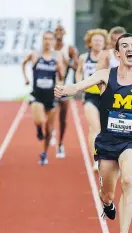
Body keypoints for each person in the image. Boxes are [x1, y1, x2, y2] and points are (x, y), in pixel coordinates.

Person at [55, 33, 132, 233]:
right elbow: (81, 85)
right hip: (108, 140)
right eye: (125, 46)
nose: (130, 49)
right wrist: (67, 89)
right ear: (117, 53)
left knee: (128, 179)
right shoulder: (105, 74)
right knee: (107, 193)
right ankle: (107, 205)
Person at [22, 31, 64, 165]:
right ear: (42, 40)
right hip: (37, 95)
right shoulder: (35, 55)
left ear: (53, 41)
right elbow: (23, 63)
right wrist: (26, 78)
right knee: (39, 119)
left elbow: (62, 75)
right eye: (45, 39)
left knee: (49, 129)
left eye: (50, 39)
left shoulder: (57, 56)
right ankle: (38, 128)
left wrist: (59, 69)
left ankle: (44, 153)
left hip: (51, 97)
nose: (47, 41)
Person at [76, 29, 108, 171]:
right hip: (90, 96)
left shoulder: (108, 56)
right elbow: (78, 72)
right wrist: (79, 85)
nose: (97, 43)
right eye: (95, 40)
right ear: (90, 42)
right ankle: (96, 160)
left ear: (104, 43)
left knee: (106, 130)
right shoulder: (84, 57)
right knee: (94, 128)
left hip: (106, 96)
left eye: (100, 40)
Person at [53, 25, 79, 158]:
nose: (58, 32)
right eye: (56, 30)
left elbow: (77, 67)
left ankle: (60, 144)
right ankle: (50, 130)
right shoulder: (49, 48)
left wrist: (67, 63)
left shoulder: (69, 49)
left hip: (63, 87)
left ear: (64, 33)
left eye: (61, 30)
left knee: (62, 118)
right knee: (49, 114)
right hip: (50, 87)